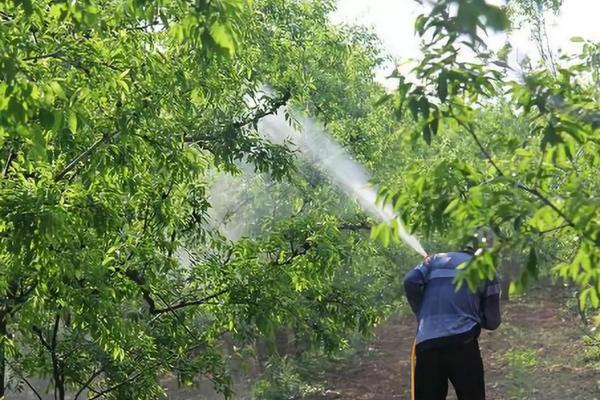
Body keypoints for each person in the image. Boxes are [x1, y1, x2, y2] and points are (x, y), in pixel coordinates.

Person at [403, 232, 501, 400]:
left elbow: (410, 281)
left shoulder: (434, 260)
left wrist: (423, 313)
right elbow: (492, 322)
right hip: (462, 344)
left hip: (428, 343)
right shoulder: (486, 271)